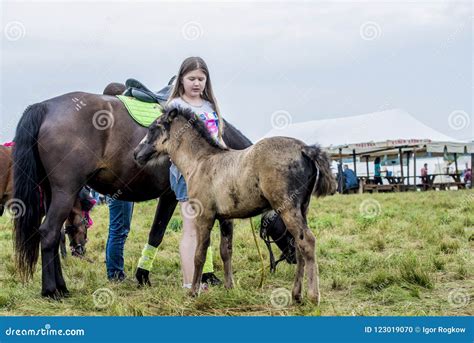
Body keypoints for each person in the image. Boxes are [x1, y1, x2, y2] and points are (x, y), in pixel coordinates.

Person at [166, 56, 224, 289]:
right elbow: (169, 144)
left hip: (215, 176)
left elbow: (218, 138)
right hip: (186, 176)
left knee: (205, 229)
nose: (196, 83)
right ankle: (190, 283)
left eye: (201, 78)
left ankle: (199, 280)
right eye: (191, 78)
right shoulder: (175, 107)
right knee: (191, 229)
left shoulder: (211, 107)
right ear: (181, 80)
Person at [106, 199, 133, 281]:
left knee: (115, 231)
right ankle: (116, 274)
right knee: (119, 232)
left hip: (117, 193)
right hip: (122, 193)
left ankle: (113, 271)